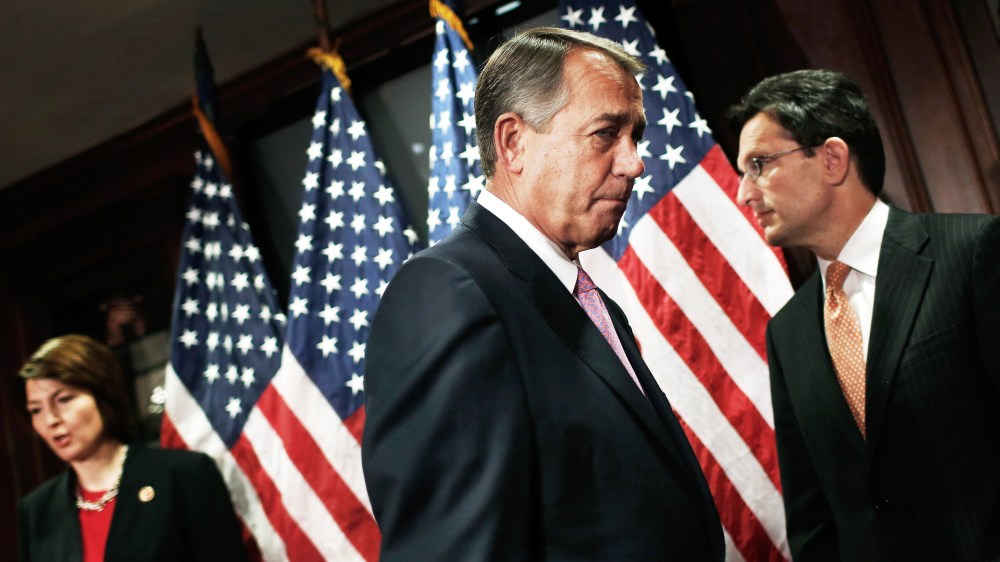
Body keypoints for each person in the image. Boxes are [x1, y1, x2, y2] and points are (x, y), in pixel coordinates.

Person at [362, 26, 723, 561]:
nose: (634, 163)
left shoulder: (588, 300)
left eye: (635, 136)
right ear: (513, 142)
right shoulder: (448, 292)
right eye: (605, 133)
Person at [728, 69, 1000, 561]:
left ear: (831, 158)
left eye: (759, 165)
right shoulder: (787, 333)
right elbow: (813, 520)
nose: (744, 193)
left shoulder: (971, 251)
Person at [16, 334, 248, 561]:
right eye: (36, 410)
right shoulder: (36, 510)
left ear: (103, 395)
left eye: (63, 400)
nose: (50, 420)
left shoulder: (183, 475)